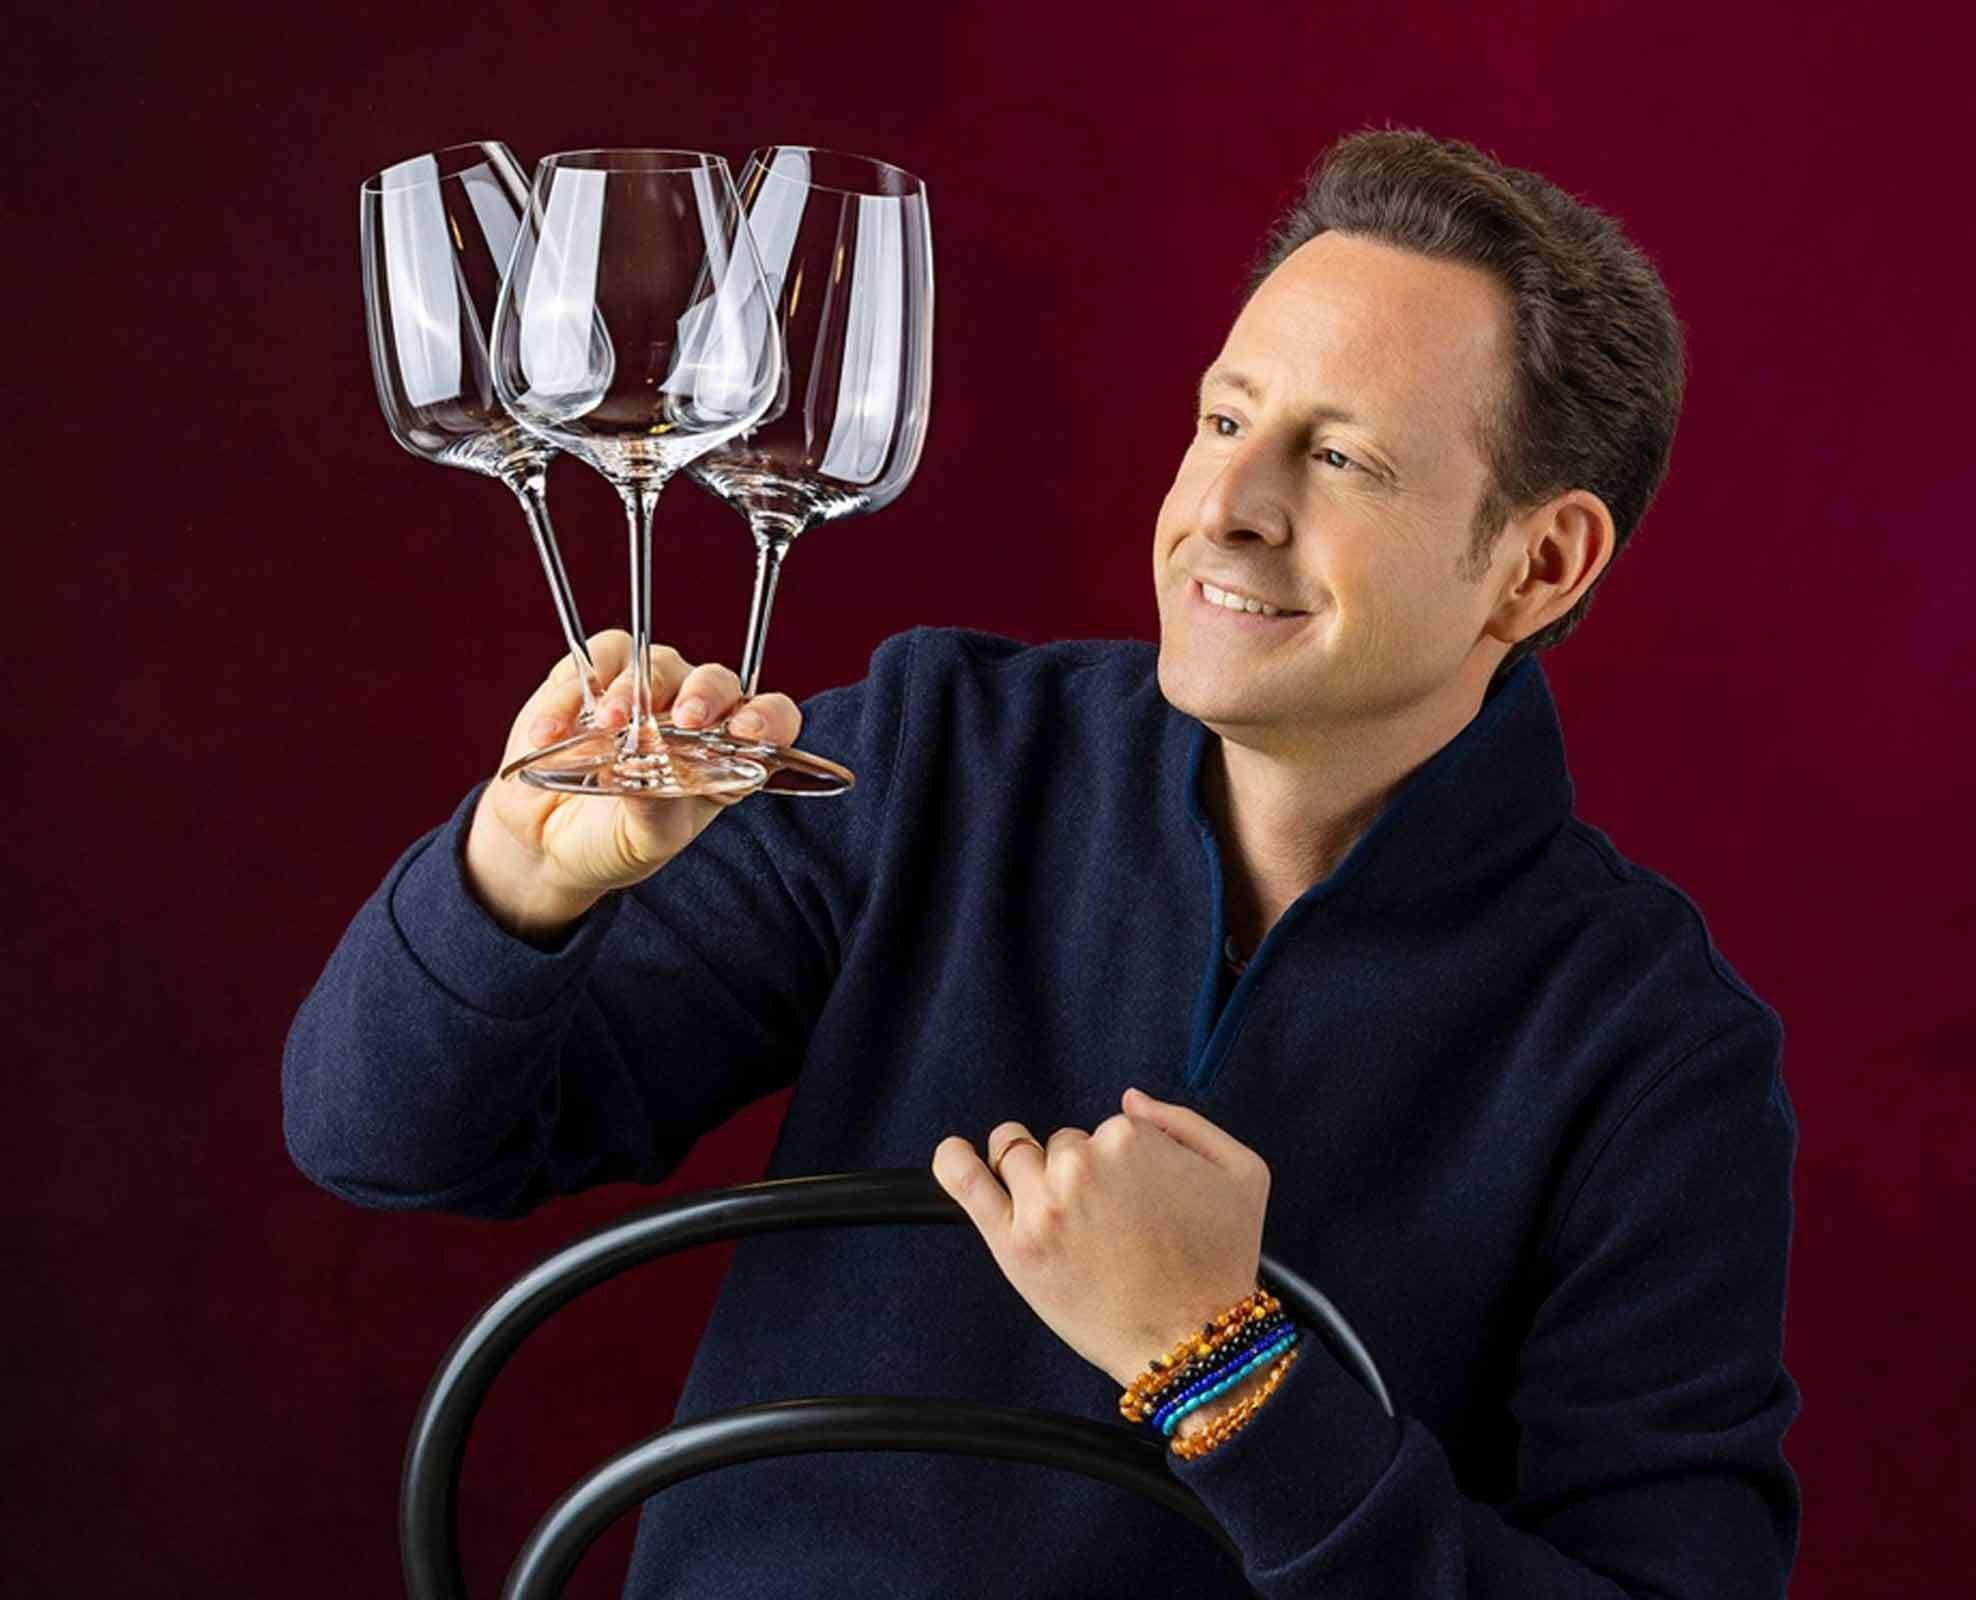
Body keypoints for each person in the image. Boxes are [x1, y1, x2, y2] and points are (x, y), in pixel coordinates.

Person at [284, 126, 1800, 1597]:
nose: (1226, 511)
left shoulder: (1654, 1049)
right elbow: (387, 1139)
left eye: (1340, 457)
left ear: (1540, 564)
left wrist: (1224, 1372)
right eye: (1224, 422)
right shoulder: (938, 753)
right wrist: (517, 885)